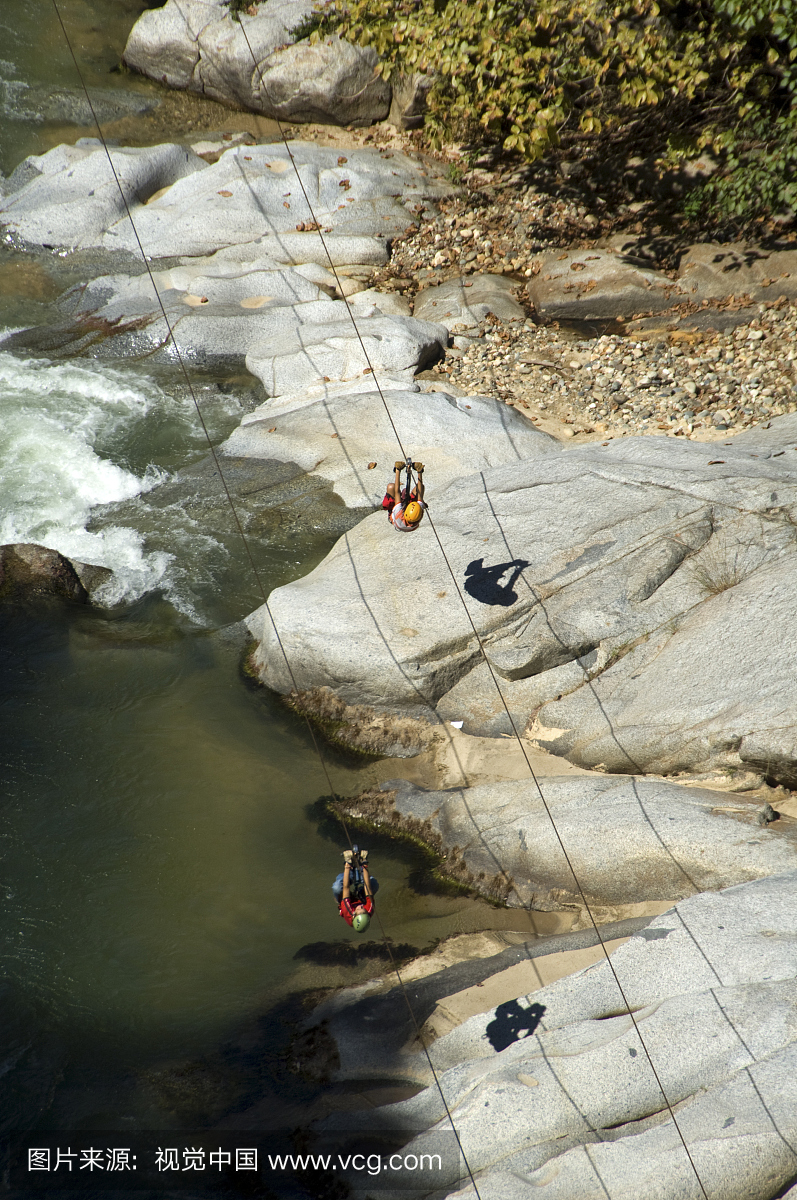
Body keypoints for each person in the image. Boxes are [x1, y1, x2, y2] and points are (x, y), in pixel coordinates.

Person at [332, 849, 379, 933]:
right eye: (363, 909)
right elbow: (367, 886)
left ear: (354, 915)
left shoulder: (348, 912)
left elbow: (346, 888)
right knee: (374, 884)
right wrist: (364, 863)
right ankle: (360, 869)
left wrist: (347, 864)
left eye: (358, 909)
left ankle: (351, 875)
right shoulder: (369, 910)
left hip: (348, 899)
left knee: (337, 887)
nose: (361, 906)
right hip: (362, 897)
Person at [382, 461, 426, 532]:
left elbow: (397, 492)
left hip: (398, 513)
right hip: (409, 511)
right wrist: (419, 471)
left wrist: (397, 470)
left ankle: (406, 499)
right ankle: (411, 499)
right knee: (420, 487)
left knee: (391, 487)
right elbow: (420, 493)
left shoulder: (398, 514)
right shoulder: (418, 511)